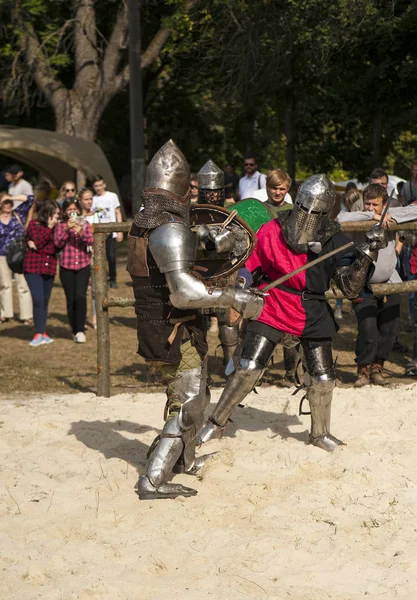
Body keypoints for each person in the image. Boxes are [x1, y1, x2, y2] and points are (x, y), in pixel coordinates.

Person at [198, 174, 385, 453]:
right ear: (296, 203)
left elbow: (348, 287)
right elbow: (250, 266)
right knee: (248, 368)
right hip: (273, 303)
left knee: (323, 379)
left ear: (326, 213)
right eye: (305, 207)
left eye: (317, 211)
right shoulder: (272, 229)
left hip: (311, 309)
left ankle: (319, 433)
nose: (309, 215)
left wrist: (368, 252)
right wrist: (242, 286)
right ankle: (216, 422)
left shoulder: (334, 239)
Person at [127, 140, 263, 499]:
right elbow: (183, 291)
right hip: (173, 324)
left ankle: (183, 462)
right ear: (182, 189)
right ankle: (153, 480)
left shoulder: (145, 223)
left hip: (168, 322)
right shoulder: (168, 228)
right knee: (188, 403)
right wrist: (236, 297)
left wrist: (207, 240)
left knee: (196, 391)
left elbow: (181, 252)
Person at [337, 183, 417, 386]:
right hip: (364, 283)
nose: (370, 207)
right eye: (367, 204)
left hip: (390, 281)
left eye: (375, 205)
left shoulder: (392, 213)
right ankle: (363, 370)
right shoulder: (361, 215)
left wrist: (390, 216)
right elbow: (340, 218)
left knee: (390, 329)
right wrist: (372, 217)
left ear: (384, 205)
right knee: (368, 329)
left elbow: (415, 209)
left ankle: (377, 368)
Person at [54, 198, 94, 343]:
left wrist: (81, 232)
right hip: (66, 266)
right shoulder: (60, 225)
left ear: (79, 210)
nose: (72, 212)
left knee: (81, 297)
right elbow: (57, 244)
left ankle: (80, 330)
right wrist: (66, 230)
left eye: (74, 209)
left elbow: (91, 241)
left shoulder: (86, 224)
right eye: (69, 209)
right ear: (65, 212)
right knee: (71, 299)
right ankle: (73, 327)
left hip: (83, 265)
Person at [23, 200, 60, 347]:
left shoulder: (58, 228)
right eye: (56, 213)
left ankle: (42, 331)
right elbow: (39, 242)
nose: (58, 216)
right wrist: (49, 229)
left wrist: (38, 246)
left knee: (44, 301)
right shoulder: (33, 225)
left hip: (49, 267)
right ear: (48, 213)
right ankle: (38, 333)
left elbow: (55, 247)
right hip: (33, 268)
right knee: (38, 300)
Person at [0, 193, 34, 324]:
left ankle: (26, 316)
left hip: (19, 256)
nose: (8, 204)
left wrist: (12, 197)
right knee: (5, 285)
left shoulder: (18, 214)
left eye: (10, 202)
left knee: (23, 286)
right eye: (5, 202)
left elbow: (30, 199)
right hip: (2, 255)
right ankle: (5, 313)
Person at [92, 176, 123, 288]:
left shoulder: (112, 196)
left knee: (111, 256)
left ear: (104, 185)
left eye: (100, 185)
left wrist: (119, 230)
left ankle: (113, 279)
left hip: (111, 231)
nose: (98, 188)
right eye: (96, 186)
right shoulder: (93, 199)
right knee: (99, 257)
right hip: (97, 232)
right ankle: (101, 279)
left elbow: (117, 212)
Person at [79, 188, 98, 329]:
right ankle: (82, 317)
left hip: (94, 255)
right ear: (80, 201)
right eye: (86, 199)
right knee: (82, 289)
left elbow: (101, 237)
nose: (89, 201)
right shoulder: (77, 218)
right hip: (80, 256)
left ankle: (95, 317)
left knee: (95, 289)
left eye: (90, 198)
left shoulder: (96, 216)